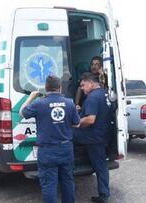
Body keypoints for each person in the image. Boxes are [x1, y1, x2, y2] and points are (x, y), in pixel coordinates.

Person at [19, 75, 80, 203]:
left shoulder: (39, 103)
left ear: (46, 88)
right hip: (66, 148)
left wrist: (31, 97)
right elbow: (77, 124)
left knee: (49, 185)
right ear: (60, 87)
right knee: (68, 181)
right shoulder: (69, 103)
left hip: (47, 150)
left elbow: (22, 112)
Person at [73, 72, 112, 203]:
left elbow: (90, 120)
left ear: (90, 82)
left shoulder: (92, 98)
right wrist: (80, 111)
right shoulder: (104, 93)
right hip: (102, 134)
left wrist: (76, 124)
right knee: (101, 165)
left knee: (67, 134)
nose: (82, 89)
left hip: (93, 137)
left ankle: (103, 195)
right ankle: (104, 194)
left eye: (83, 85)